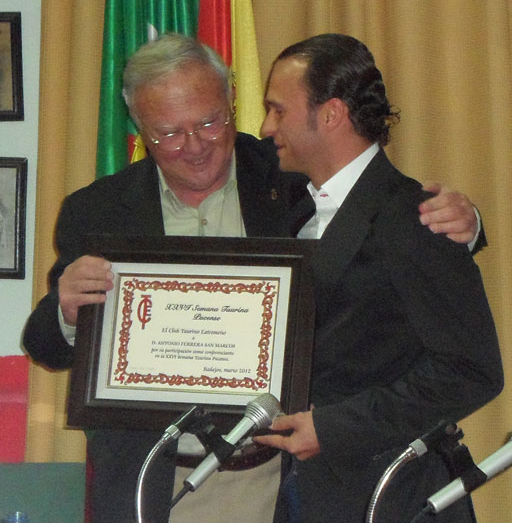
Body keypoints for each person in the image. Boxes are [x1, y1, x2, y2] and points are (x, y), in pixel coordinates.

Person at [23, 33, 482, 523]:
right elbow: (45, 344)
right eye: (169, 134)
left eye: (209, 121)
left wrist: (465, 223)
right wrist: (67, 311)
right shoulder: (97, 211)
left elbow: (380, 224)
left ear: (230, 102)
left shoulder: (292, 175)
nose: (195, 146)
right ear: (139, 128)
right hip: (153, 478)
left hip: (278, 478)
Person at [254, 33, 503, 523]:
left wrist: (333, 427)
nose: (265, 127)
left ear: (330, 115)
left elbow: (472, 371)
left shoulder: (413, 217)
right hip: (306, 494)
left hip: (395, 496)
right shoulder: (290, 205)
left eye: (278, 110)